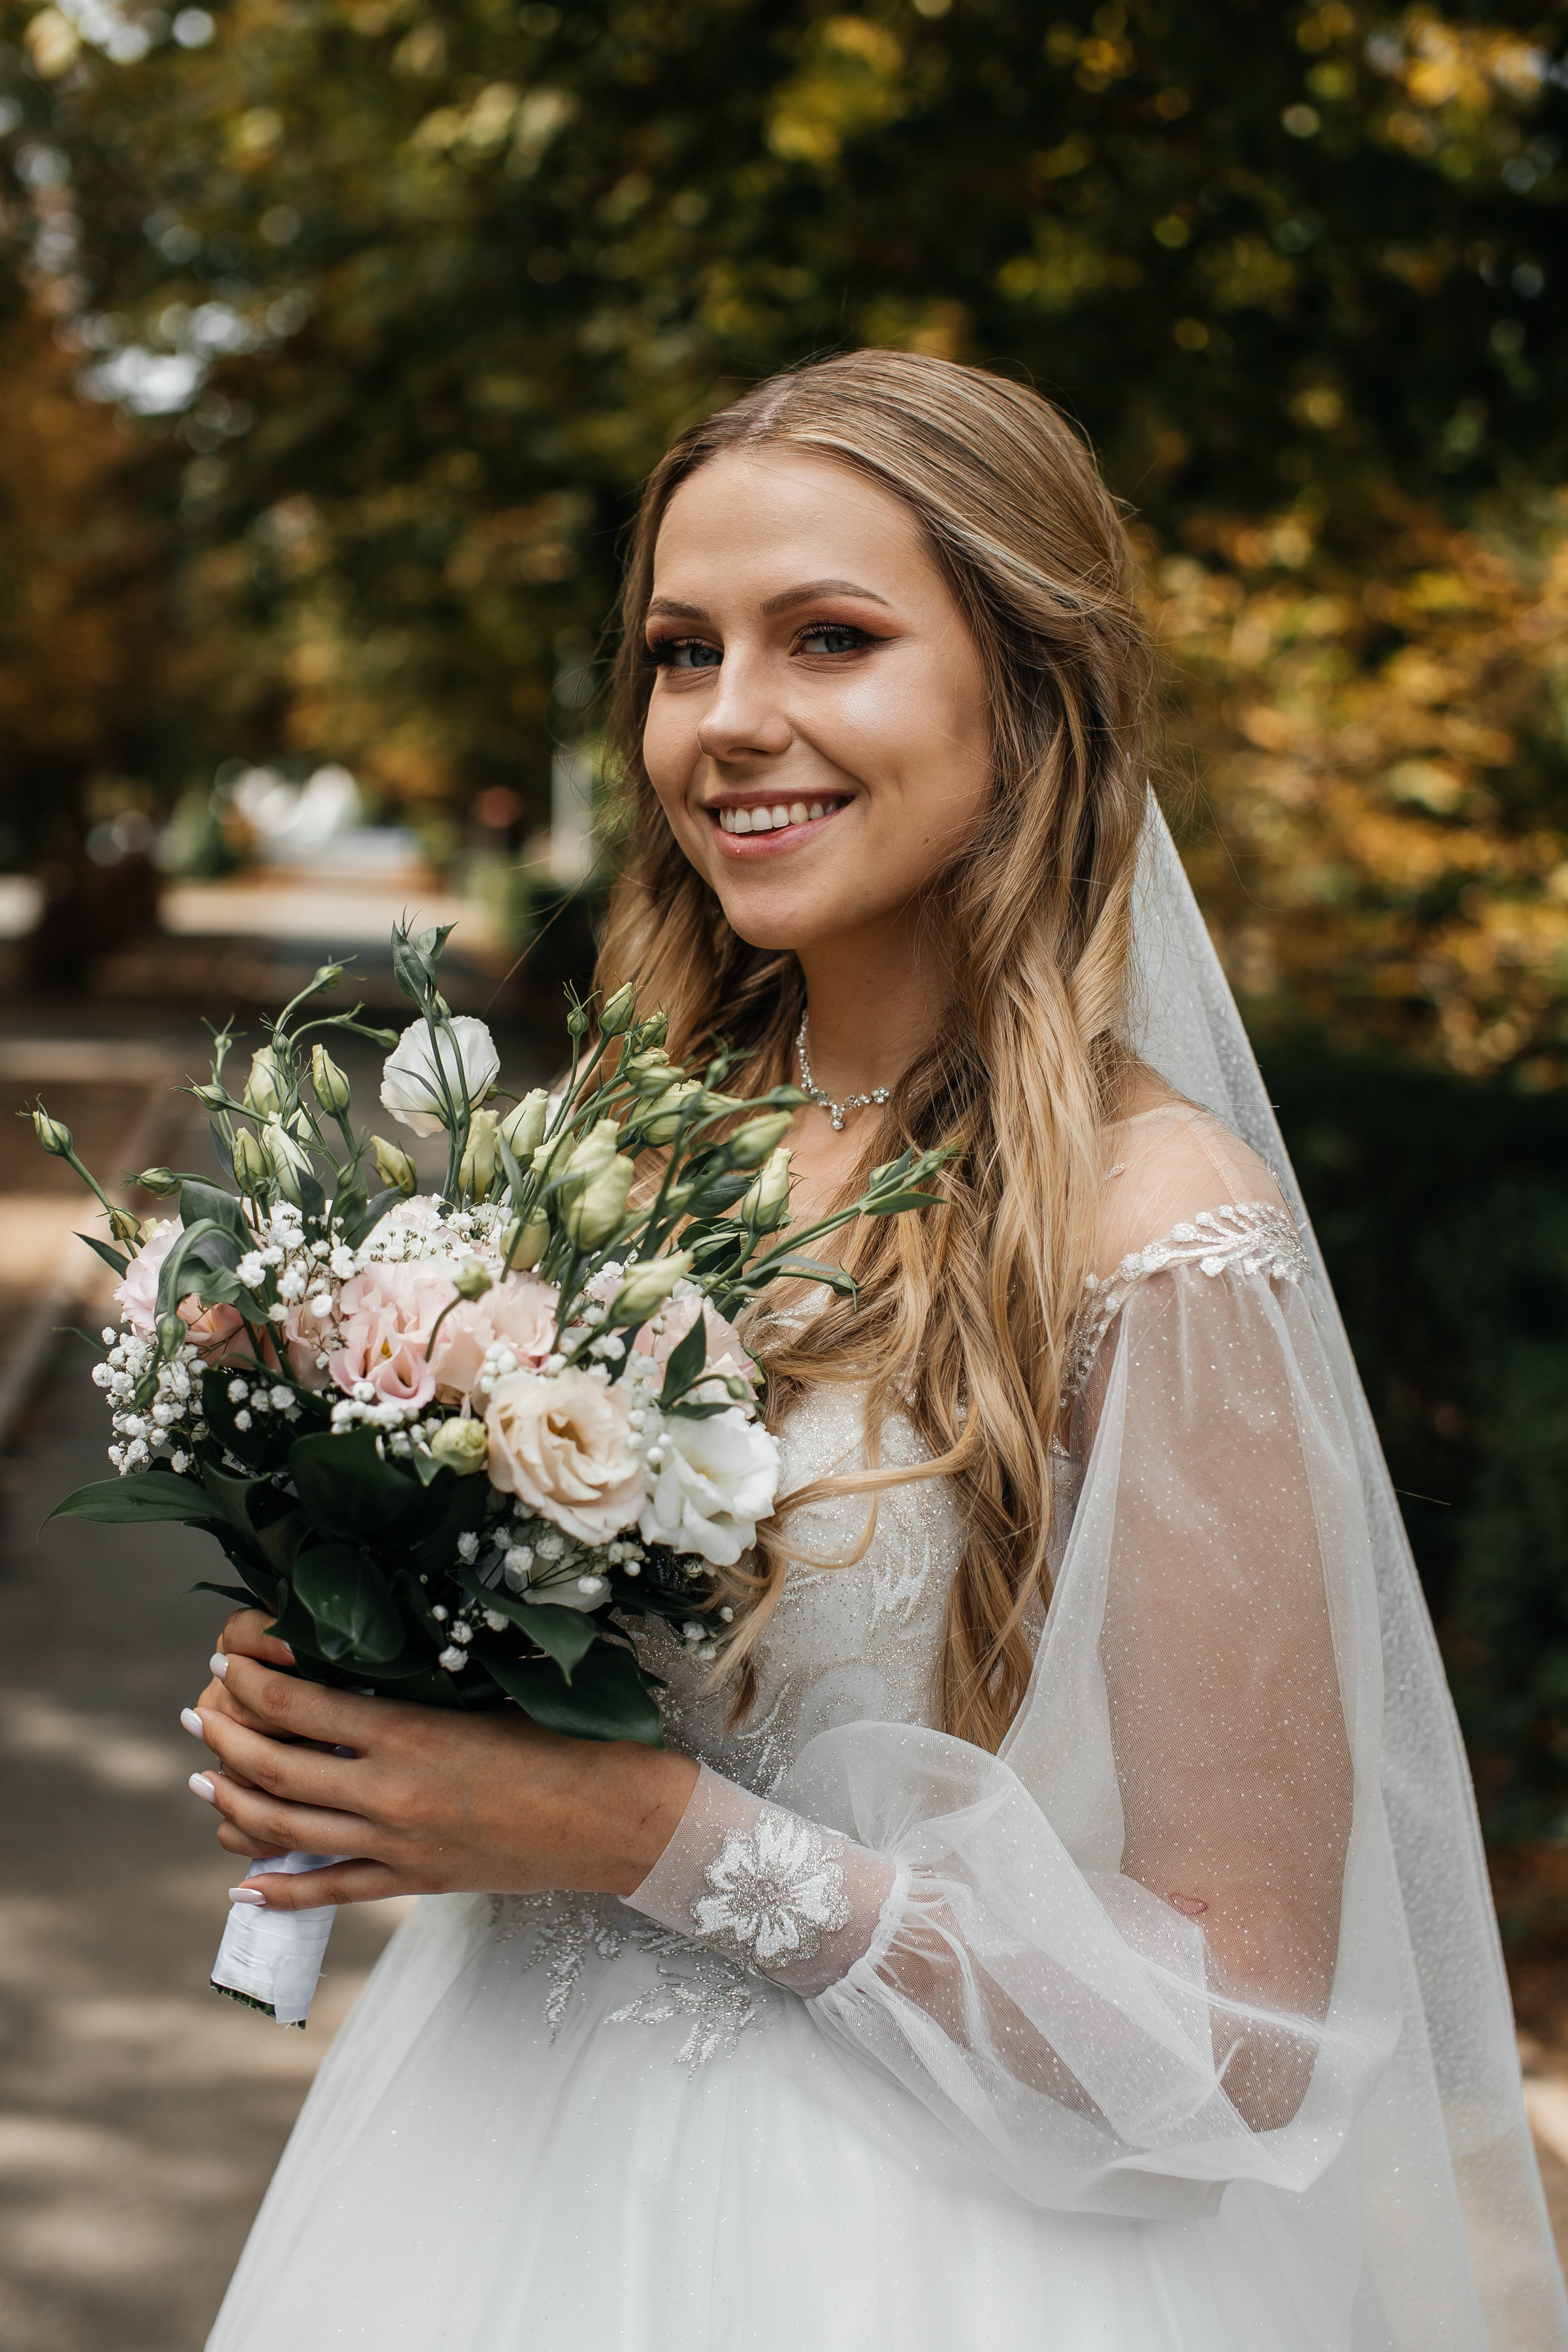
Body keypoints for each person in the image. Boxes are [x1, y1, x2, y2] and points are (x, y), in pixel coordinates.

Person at [189, 351, 1566, 2351]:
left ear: (1030, 693)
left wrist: (651, 1843)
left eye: (828, 638)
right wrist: (372, 1683)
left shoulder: (1159, 1239)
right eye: (681, 651)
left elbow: (1244, 2035)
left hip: (924, 2254)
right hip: (489, 2168)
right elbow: (601, 1695)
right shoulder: (621, 1154)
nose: (730, 720)